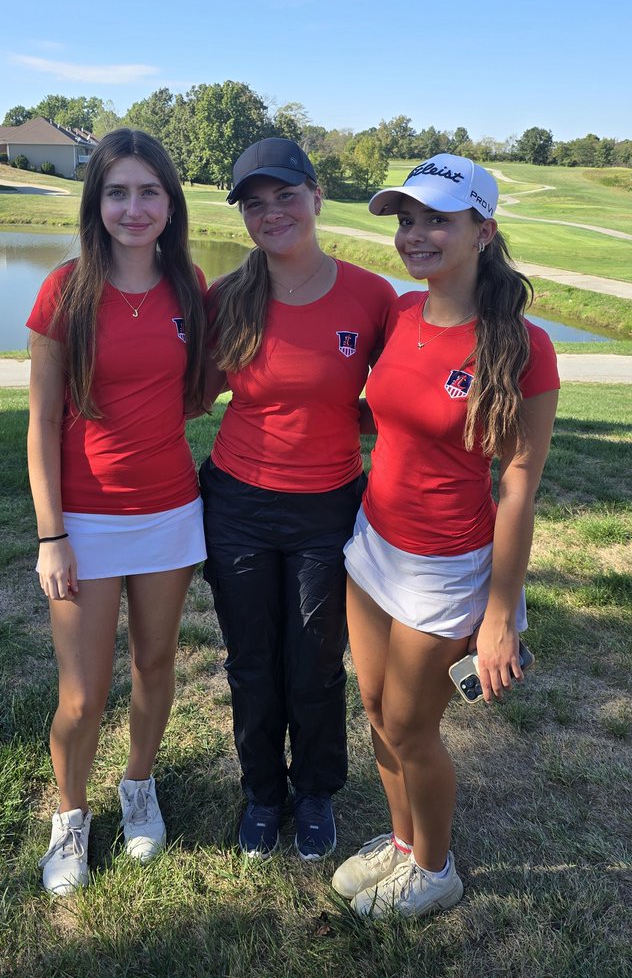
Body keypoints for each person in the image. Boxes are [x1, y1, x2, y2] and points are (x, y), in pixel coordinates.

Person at [332, 154, 559, 919]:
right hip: (373, 545)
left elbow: (518, 487)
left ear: (483, 232)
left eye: (437, 220)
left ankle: (435, 871)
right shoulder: (399, 313)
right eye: (406, 220)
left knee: (410, 724)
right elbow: (388, 412)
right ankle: (404, 845)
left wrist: (499, 617)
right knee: (373, 706)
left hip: (446, 564)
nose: (415, 234)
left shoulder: (523, 346)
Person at [200, 138, 395, 861]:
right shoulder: (229, 297)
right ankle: (262, 793)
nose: (271, 212)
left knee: (315, 659)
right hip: (237, 505)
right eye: (254, 203)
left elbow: (401, 393)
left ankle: (314, 792)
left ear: (316, 196)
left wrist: (357, 418)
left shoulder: (371, 297)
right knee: (251, 659)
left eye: (285, 195)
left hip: (327, 507)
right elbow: (194, 393)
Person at [26, 129, 207, 895]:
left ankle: (138, 787)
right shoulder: (64, 290)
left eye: (148, 192)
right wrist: (53, 536)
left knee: (155, 665)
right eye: (117, 192)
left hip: (170, 513)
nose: (134, 208)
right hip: (86, 522)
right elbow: (41, 422)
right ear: (96, 203)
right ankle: (70, 816)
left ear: (170, 202)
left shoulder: (191, 287)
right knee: (82, 693)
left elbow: (196, 392)